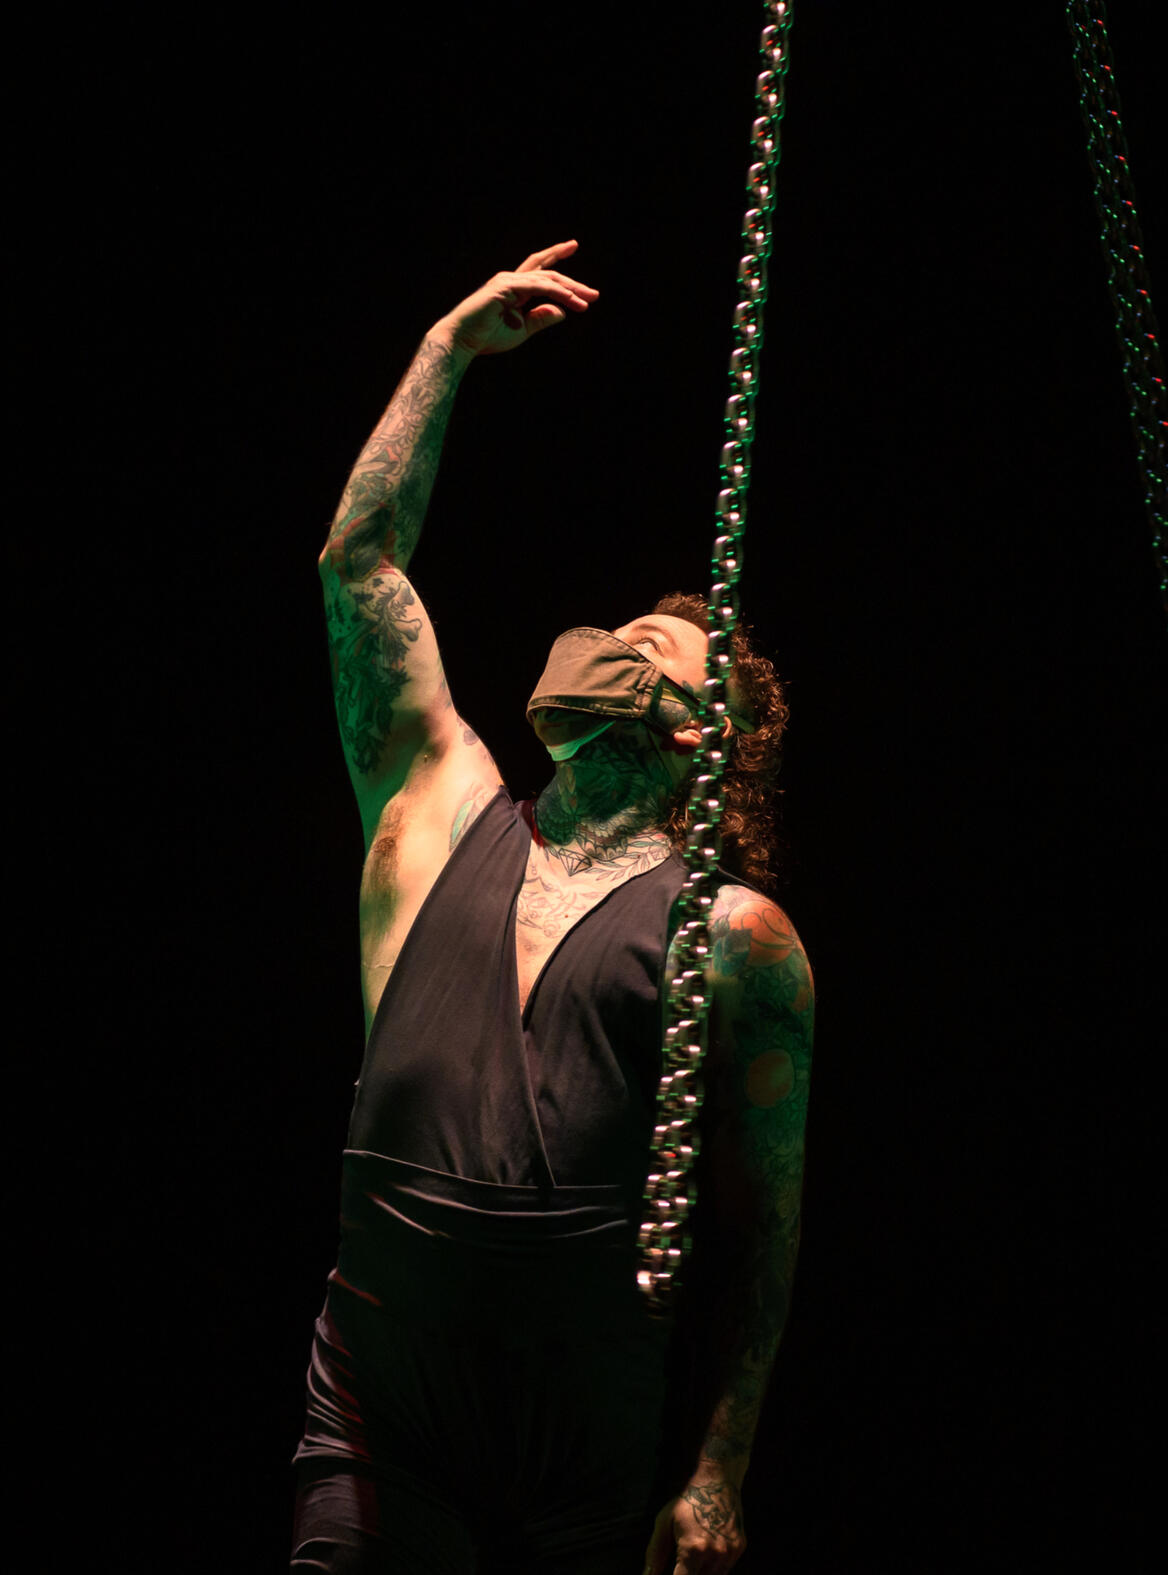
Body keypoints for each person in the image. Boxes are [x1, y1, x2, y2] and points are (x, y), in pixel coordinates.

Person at [291, 240, 815, 1575]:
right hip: (378, 1419)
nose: (615, 652)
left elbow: (763, 1223)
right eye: (622, 636)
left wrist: (718, 1475)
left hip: (581, 1450)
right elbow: (359, 567)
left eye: (651, 657)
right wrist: (446, 352)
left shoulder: (737, 940)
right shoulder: (436, 813)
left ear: (709, 737)